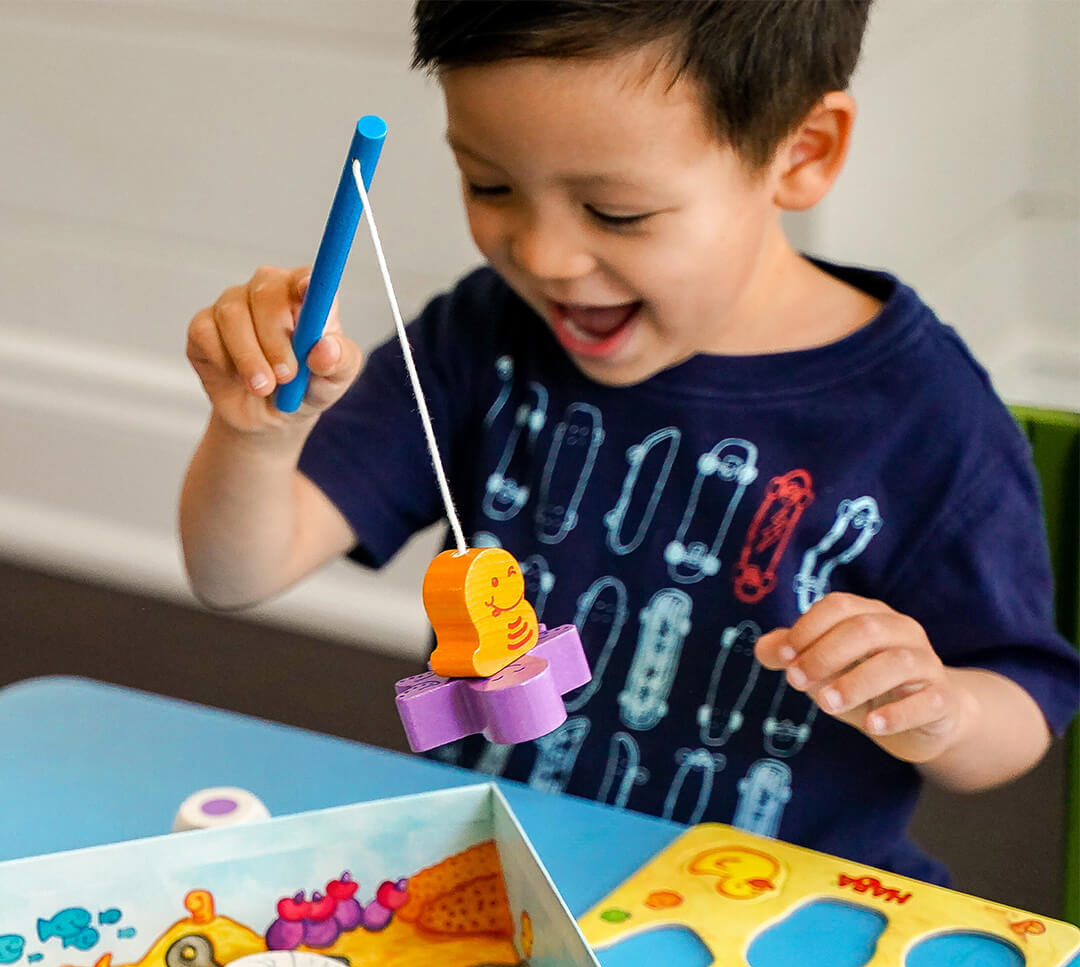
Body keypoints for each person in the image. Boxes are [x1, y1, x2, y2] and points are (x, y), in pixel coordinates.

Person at [180, 0, 1079, 883]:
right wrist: (255, 433)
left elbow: (1021, 713)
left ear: (801, 153)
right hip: (506, 881)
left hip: (769, 930)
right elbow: (238, 572)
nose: (543, 255)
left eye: (614, 212)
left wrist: (940, 711)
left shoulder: (927, 417)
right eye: (489, 185)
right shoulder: (482, 336)